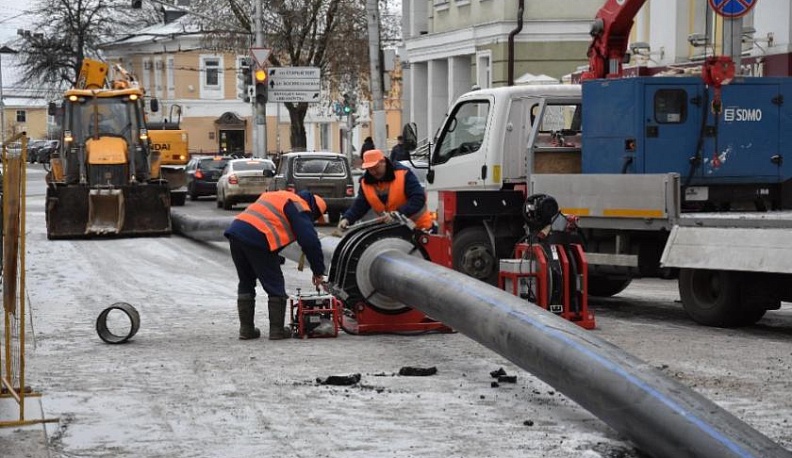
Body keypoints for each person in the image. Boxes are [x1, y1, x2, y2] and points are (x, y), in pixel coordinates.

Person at [224, 190, 327, 340]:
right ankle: (277, 330)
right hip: (257, 238)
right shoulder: (300, 206)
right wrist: (319, 272)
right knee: (275, 284)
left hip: (236, 233)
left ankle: (246, 330)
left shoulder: (280, 196)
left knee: (246, 281)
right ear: (314, 209)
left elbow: (269, 222)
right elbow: (310, 242)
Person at [338, 149, 433, 232]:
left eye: (376, 168)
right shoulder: (365, 183)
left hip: (420, 227)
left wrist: (398, 213)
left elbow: (418, 198)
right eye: (370, 169)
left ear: (384, 162)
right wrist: (347, 219)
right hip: (392, 229)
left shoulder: (403, 174)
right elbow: (359, 206)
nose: (374, 172)